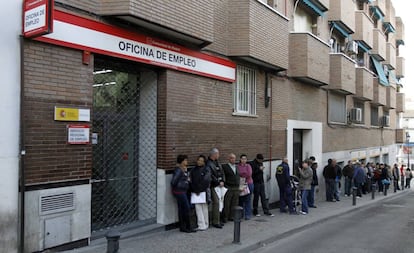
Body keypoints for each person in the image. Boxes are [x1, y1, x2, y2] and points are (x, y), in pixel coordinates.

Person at [171, 155, 196, 233]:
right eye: (185, 160)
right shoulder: (178, 170)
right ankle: (188, 227)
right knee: (186, 208)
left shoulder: (183, 169)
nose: (186, 162)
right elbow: (173, 182)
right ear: (182, 161)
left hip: (183, 191)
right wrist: (184, 182)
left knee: (182, 209)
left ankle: (183, 226)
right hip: (180, 191)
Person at [189, 155, 211, 231]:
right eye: (199, 160)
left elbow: (206, 181)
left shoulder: (206, 169)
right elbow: (191, 180)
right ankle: (201, 224)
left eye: (201, 160)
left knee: (204, 207)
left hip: (203, 191)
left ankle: (205, 223)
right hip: (195, 191)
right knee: (198, 208)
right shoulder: (193, 170)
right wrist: (195, 189)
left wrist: (199, 190)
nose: (199, 162)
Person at [206, 148, 225, 229]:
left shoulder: (217, 162)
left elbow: (222, 172)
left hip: (221, 185)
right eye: (217, 154)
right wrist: (217, 182)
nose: (218, 155)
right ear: (214, 154)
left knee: (221, 201)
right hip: (214, 186)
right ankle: (215, 221)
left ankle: (219, 219)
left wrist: (223, 181)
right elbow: (210, 175)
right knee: (216, 202)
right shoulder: (208, 164)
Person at [222, 153, 240, 222]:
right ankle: (225, 217)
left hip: (236, 187)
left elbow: (238, 176)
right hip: (229, 187)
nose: (233, 160)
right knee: (227, 203)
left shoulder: (236, 167)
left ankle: (231, 216)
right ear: (229, 159)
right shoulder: (225, 167)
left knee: (234, 203)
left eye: (234, 158)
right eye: (231, 158)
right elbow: (224, 176)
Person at [237, 154, 253, 220]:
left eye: (245, 159)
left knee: (248, 200)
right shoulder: (238, 166)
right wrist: (243, 174)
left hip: (248, 184)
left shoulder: (248, 166)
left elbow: (249, 174)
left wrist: (242, 174)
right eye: (242, 159)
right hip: (241, 184)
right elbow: (238, 174)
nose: (243, 160)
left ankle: (247, 214)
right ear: (240, 159)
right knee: (241, 200)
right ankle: (241, 215)